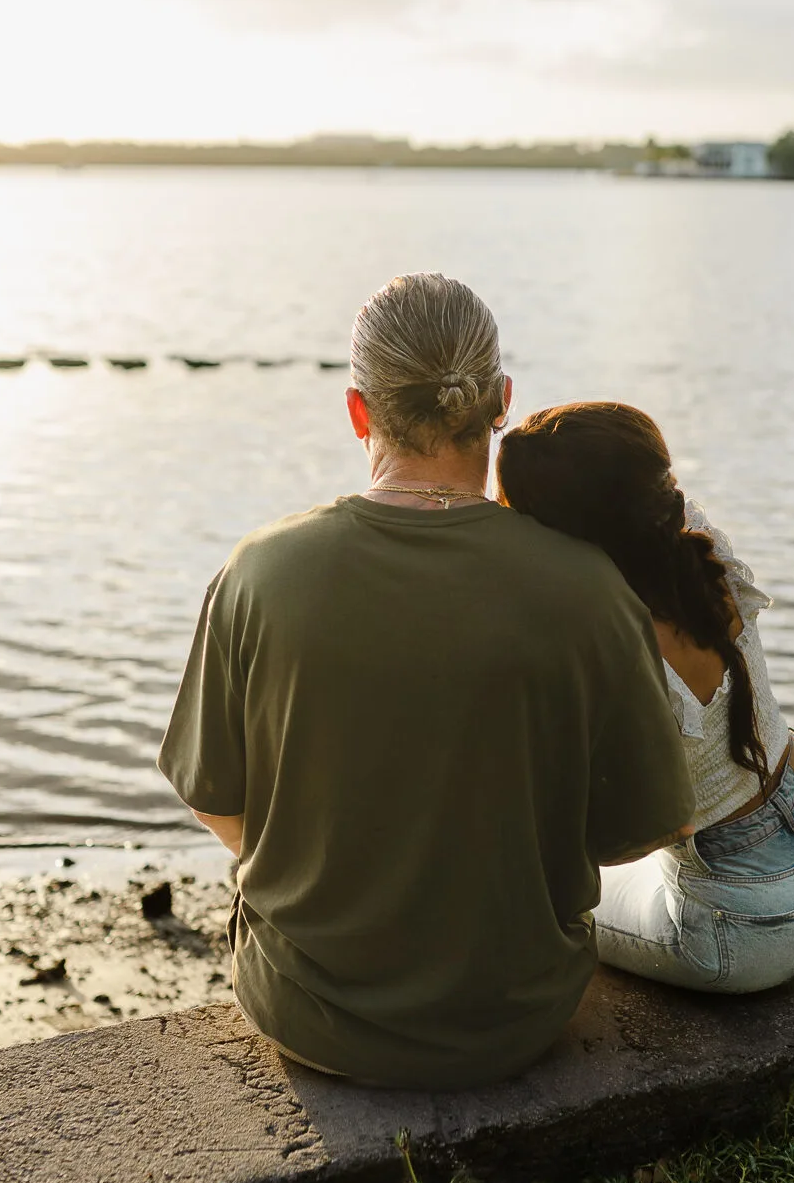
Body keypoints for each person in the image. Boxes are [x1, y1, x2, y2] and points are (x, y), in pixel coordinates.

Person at [158, 275, 692, 1088]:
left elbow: (212, 799)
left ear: (357, 411)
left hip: (305, 1011)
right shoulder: (588, 589)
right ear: (501, 402)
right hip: (516, 1015)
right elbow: (641, 827)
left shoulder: (260, 572)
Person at [495, 401, 794, 994]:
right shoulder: (699, 543)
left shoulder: (611, 648)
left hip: (742, 928)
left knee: (530, 901)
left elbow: (617, 838)